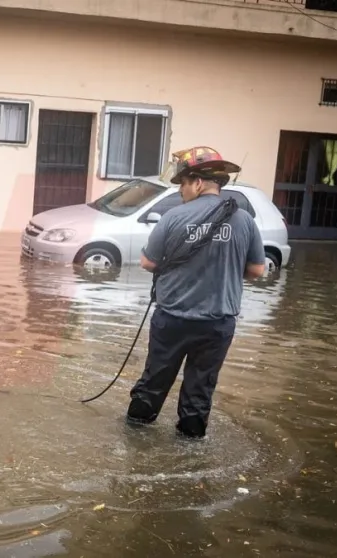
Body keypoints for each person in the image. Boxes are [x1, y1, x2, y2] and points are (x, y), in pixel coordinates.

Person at [127, 146, 266, 439]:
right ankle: (190, 445)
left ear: (198, 183)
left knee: (153, 383)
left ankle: (134, 439)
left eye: (183, 184)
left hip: (172, 319)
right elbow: (257, 270)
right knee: (199, 390)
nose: (180, 191)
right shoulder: (244, 220)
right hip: (217, 324)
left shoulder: (172, 217)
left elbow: (147, 262)